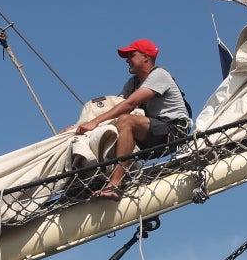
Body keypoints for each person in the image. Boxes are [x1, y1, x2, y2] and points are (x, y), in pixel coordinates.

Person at [78, 38, 191, 198]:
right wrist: (80, 126)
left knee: (125, 120)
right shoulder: (132, 83)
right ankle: (96, 179)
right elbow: (115, 106)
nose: (126, 60)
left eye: (131, 55)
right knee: (108, 130)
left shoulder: (160, 75)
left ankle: (115, 184)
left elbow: (130, 104)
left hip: (172, 132)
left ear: (146, 57)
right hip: (150, 133)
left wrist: (95, 121)